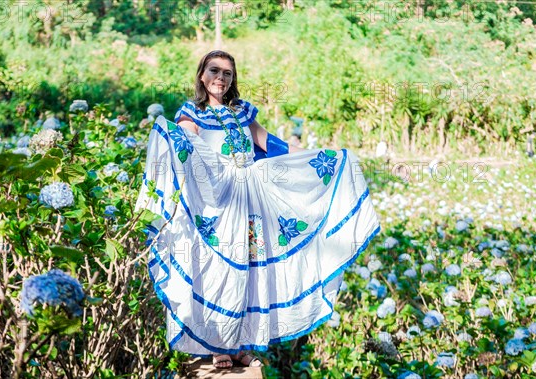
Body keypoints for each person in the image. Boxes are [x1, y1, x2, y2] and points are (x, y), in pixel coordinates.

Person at [135, 50, 380, 369]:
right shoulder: (191, 114)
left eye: (227, 73)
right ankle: (217, 344)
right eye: (214, 71)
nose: (221, 78)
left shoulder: (242, 112)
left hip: (252, 199)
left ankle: (240, 345)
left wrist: (320, 157)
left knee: (251, 270)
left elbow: (271, 145)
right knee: (218, 271)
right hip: (218, 204)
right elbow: (188, 150)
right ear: (201, 75)